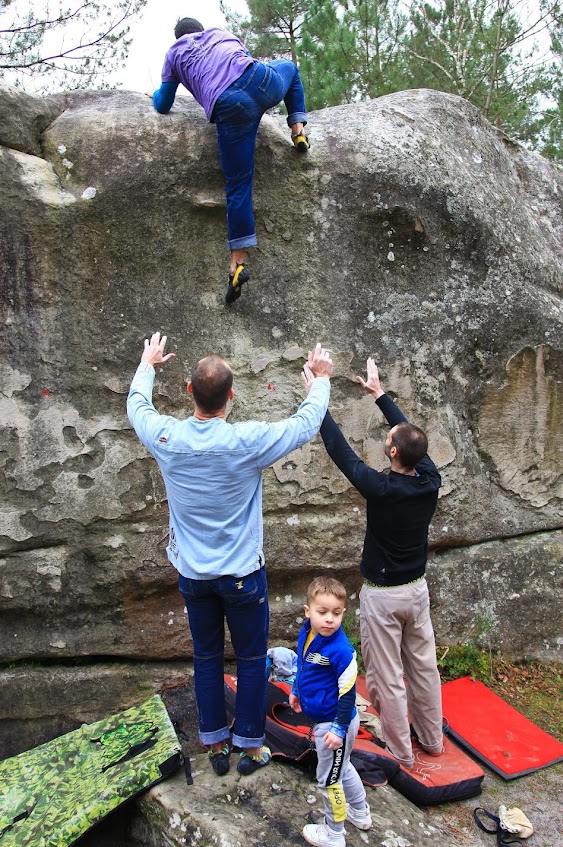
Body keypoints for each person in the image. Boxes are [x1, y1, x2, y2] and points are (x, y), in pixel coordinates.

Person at [127, 333, 333, 776]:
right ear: (232, 396)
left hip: (195, 577)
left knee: (205, 657)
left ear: (189, 392)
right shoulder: (248, 441)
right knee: (252, 659)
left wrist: (147, 364)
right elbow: (304, 425)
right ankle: (251, 747)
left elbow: (136, 407)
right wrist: (318, 382)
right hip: (242, 574)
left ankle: (215, 744)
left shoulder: (167, 436)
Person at [302, 358, 444, 771]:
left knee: (386, 679)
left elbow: (341, 453)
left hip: (383, 598)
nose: (388, 435)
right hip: (417, 591)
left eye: (390, 436)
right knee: (423, 666)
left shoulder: (381, 488)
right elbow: (411, 437)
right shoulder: (429, 479)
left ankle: (401, 752)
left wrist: (317, 398)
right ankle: (433, 739)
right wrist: (380, 395)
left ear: (394, 451)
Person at [151, 18, 310, 304]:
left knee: (238, 185)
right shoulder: (220, 33)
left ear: (178, 36)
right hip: (259, 80)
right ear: (200, 29)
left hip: (229, 104)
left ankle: (237, 264)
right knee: (290, 69)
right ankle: (298, 130)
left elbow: (163, 103)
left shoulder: (174, 53)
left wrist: (154, 96)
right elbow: (243, 61)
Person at [289, 577, 372, 847]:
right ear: (307, 611)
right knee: (344, 766)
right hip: (324, 721)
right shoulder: (307, 634)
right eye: (322, 612)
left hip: (334, 724)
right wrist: (296, 690)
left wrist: (337, 729)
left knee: (329, 780)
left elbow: (348, 693)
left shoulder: (342, 650)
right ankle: (360, 812)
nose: (329, 620)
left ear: (343, 613)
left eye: (336, 614)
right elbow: (303, 667)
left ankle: (334, 833)